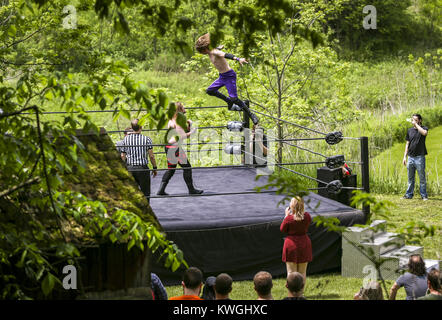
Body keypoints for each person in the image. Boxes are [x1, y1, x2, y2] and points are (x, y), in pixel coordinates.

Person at [195, 33, 259, 125]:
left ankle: (251, 115)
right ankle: (228, 101)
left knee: (234, 99)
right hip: (222, 77)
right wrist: (218, 47)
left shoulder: (214, 52)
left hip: (229, 76)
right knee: (210, 91)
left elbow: (225, 55)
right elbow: (216, 49)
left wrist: (238, 59)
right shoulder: (211, 51)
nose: (202, 53)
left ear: (205, 49)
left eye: (202, 51)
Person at [157, 102, 203, 195]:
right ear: (179, 109)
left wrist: (188, 125)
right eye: (183, 107)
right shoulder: (177, 120)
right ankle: (191, 190)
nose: (185, 108)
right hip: (175, 147)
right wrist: (193, 131)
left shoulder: (171, 119)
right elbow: (182, 136)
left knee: (171, 169)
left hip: (169, 146)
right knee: (187, 167)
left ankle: (161, 190)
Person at [122, 119, 157, 203]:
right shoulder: (146, 139)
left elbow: (123, 155)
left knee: (131, 192)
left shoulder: (125, 140)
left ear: (131, 128)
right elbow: (151, 156)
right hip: (142, 169)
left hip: (130, 168)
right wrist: (154, 167)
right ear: (141, 127)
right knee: (145, 193)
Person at [280, 196, 312, 284]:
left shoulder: (289, 218)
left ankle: (291, 293)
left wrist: (286, 216)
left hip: (291, 245)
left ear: (292, 206)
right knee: (302, 272)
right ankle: (300, 293)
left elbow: (282, 229)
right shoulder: (307, 216)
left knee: (291, 272)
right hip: (304, 243)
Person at [402, 114, 429, 200]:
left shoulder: (424, 128)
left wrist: (416, 125)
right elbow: (407, 144)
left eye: (415, 119)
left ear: (420, 120)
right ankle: (409, 195)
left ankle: (424, 195)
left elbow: (424, 133)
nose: (413, 121)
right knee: (410, 178)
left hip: (420, 157)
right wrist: (404, 157)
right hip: (410, 157)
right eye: (412, 119)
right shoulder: (409, 130)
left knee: (422, 178)